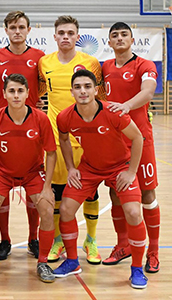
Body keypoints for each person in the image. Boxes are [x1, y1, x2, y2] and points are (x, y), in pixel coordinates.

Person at [54, 69, 148, 289]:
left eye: (87, 86)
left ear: (96, 90)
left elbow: (137, 138)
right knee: (66, 209)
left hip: (120, 167)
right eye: (78, 87)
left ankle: (136, 268)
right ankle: (72, 261)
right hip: (89, 167)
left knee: (134, 212)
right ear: (72, 92)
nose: (83, 91)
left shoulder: (114, 112)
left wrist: (131, 171)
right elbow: (64, 139)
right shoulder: (65, 116)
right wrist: (70, 167)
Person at [38, 15, 105, 264]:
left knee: (89, 192)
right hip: (56, 138)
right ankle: (58, 240)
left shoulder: (91, 62)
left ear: (78, 37)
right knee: (57, 193)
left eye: (70, 33)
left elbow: (102, 98)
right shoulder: (44, 63)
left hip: (86, 140)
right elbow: (38, 93)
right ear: (54, 36)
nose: (65, 37)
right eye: (61, 33)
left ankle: (91, 240)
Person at [0, 74, 56, 282]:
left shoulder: (41, 118)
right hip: (2, 172)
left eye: (20, 91)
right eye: (11, 91)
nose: (16, 95)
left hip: (32, 172)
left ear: (28, 94)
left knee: (47, 209)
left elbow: (51, 152)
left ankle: (43, 262)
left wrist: (47, 186)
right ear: (3, 94)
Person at [102, 22, 160, 273]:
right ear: (109, 42)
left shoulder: (144, 65)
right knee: (116, 193)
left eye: (124, 34)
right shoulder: (104, 67)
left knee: (147, 194)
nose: (119, 38)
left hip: (140, 139)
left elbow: (148, 92)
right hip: (114, 141)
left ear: (132, 39)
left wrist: (126, 105)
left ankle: (153, 251)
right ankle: (123, 244)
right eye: (114, 35)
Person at [0, 11, 46, 260]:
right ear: (6, 30)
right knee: (1, 189)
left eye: (21, 27)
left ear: (29, 30)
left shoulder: (39, 57)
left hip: (31, 127)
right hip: (3, 127)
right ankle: (5, 239)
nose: (17, 31)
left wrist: (35, 102)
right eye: (12, 27)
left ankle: (34, 237)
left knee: (33, 189)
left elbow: (43, 85)